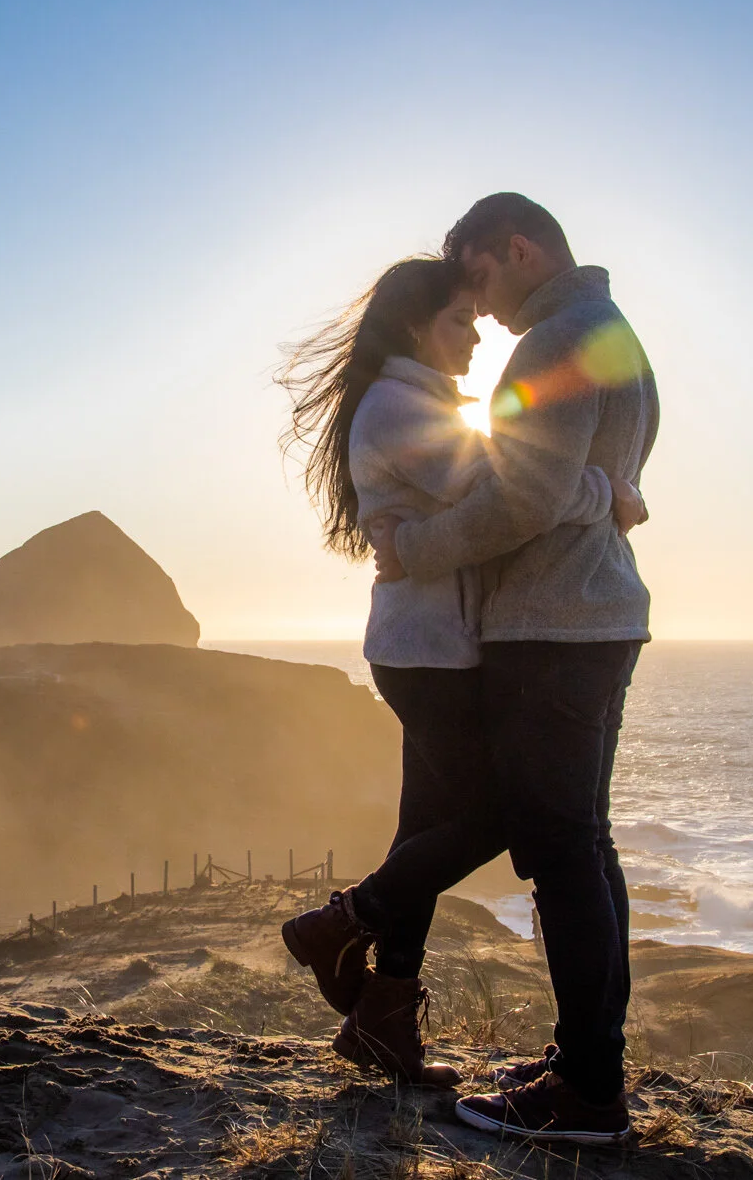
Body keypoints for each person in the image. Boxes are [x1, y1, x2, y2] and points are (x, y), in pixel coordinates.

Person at [275, 255, 644, 1088]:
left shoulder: (418, 401)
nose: (476, 334)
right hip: (431, 654)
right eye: (458, 320)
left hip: (435, 647)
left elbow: (501, 491)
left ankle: (385, 1019)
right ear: (414, 326)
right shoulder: (404, 407)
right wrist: (610, 491)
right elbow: (518, 495)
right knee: (503, 815)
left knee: (428, 825)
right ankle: (343, 923)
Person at [375, 193, 660, 1143]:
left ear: (521, 248)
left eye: (485, 278)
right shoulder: (618, 336)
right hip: (603, 615)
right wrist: (606, 495)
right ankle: (591, 1061)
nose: (485, 308)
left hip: (550, 627)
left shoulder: (552, 342)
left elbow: (519, 500)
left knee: (558, 854)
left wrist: (417, 549)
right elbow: (590, 479)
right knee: (587, 843)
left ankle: (586, 1092)